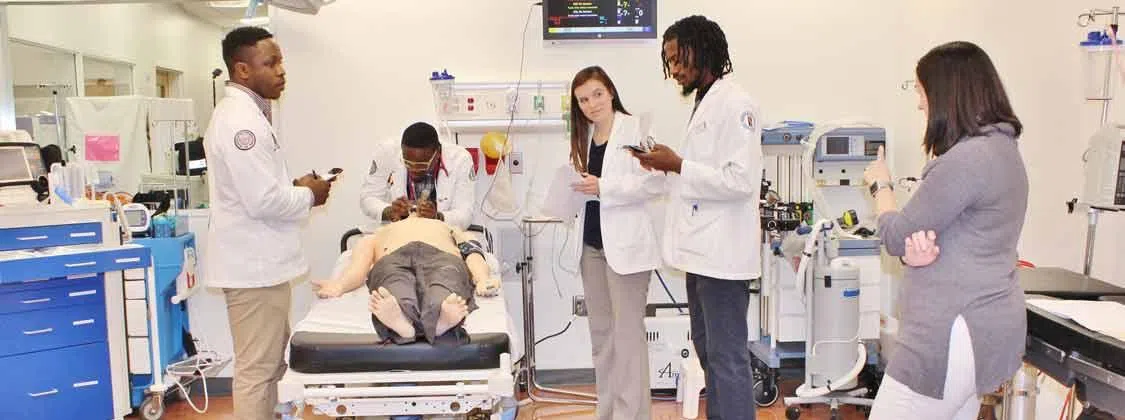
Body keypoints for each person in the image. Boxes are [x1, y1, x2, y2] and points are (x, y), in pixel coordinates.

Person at [863, 41, 1028, 420]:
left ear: (947, 93)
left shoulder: (967, 160)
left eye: (921, 92)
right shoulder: (1003, 151)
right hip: (982, 331)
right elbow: (933, 237)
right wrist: (913, 251)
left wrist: (880, 187)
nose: (920, 104)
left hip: (949, 335)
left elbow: (895, 235)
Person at [631, 15, 762, 420]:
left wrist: (680, 165)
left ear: (703, 49)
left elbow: (741, 181)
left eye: (678, 58)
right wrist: (668, 165)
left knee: (727, 359)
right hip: (702, 256)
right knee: (709, 353)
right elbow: (701, 173)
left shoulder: (737, 104)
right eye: (669, 61)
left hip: (723, 257)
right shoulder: (705, 101)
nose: (674, 69)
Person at [202, 26, 333, 420]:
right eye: (270, 63)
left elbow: (259, 190)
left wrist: (295, 186)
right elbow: (262, 201)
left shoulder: (251, 116)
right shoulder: (241, 124)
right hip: (253, 269)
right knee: (258, 370)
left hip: (262, 268)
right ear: (242, 70)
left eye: (280, 61)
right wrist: (311, 194)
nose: (281, 71)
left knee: (272, 365)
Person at [565, 65, 664, 420]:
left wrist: (604, 187)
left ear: (610, 91)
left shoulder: (636, 129)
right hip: (592, 249)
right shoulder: (585, 135)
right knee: (602, 338)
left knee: (627, 339)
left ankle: (632, 415)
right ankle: (606, 412)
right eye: (582, 100)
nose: (591, 104)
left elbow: (656, 183)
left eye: (596, 95)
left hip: (626, 252)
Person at [312, 213, 501, 344]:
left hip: (442, 258)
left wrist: (482, 278)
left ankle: (437, 321)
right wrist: (340, 285)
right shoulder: (378, 234)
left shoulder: (450, 228)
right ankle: (407, 323)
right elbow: (359, 268)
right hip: (393, 259)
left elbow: (473, 254)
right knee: (393, 289)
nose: (415, 209)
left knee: (446, 283)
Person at [360, 122, 477, 230]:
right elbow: (368, 198)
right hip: (397, 234)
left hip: (440, 235)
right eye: (407, 163)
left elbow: (465, 214)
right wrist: (390, 211)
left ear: (437, 154)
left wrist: (437, 217)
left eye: (422, 165)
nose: (414, 169)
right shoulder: (387, 153)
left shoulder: (460, 159)